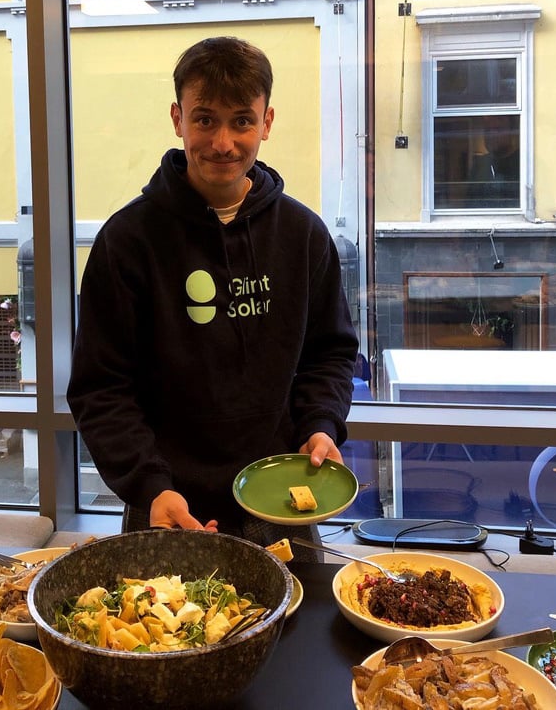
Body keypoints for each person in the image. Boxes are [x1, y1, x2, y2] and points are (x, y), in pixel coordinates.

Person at [67, 35, 358, 549]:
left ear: (266, 122)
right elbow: (101, 387)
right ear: (178, 119)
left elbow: (329, 353)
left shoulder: (304, 236)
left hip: (282, 490)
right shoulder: (127, 242)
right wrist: (149, 484)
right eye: (205, 119)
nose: (223, 142)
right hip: (166, 501)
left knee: (296, 628)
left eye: (242, 121)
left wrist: (321, 425)